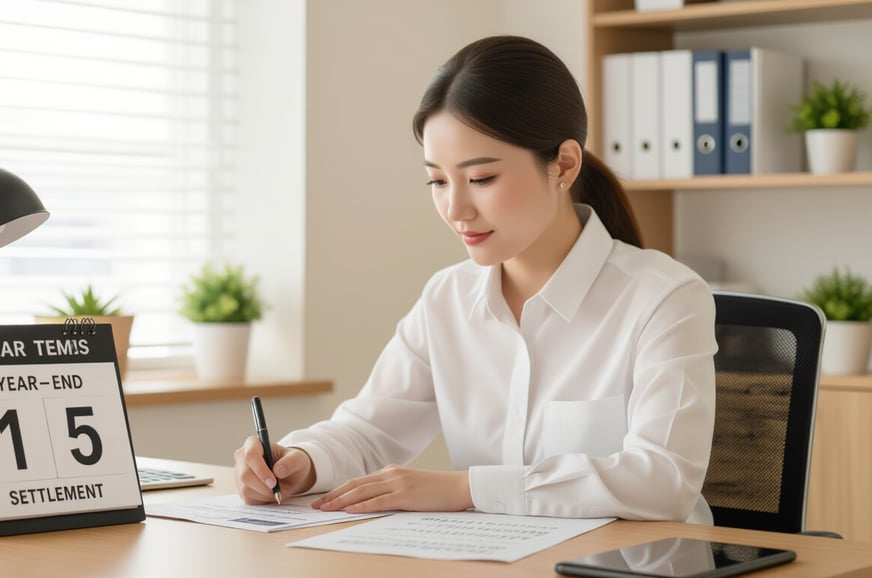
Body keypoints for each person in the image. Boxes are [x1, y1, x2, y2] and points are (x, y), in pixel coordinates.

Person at [233, 35, 717, 523]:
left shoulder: (665, 298)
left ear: (565, 165)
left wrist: (467, 487)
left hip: (633, 560)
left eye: (481, 179)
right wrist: (302, 461)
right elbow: (369, 431)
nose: (455, 209)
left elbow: (664, 480)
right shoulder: (447, 297)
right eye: (438, 181)